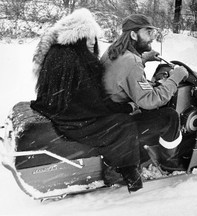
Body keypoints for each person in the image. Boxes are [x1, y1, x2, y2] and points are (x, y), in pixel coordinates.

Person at [30, 8, 143, 192]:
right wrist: (125, 108)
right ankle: (126, 173)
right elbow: (93, 104)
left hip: (62, 114)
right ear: (78, 36)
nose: (93, 42)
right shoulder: (73, 60)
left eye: (94, 37)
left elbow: (82, 98)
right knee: (123, 125)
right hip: (75, 122)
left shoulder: (60, 53)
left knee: (117, 119)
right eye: (88, 37)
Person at [101, 14, 189, 170]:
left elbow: (124, 72)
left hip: (108, 115)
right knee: (170, 117)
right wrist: (175, 78)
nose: (152, 38)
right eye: (148, 32)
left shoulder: (113, 51)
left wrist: (143, 58)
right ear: (133, 35)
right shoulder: (132, 62)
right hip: (118, 124)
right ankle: (169, 162)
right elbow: (150, 101)